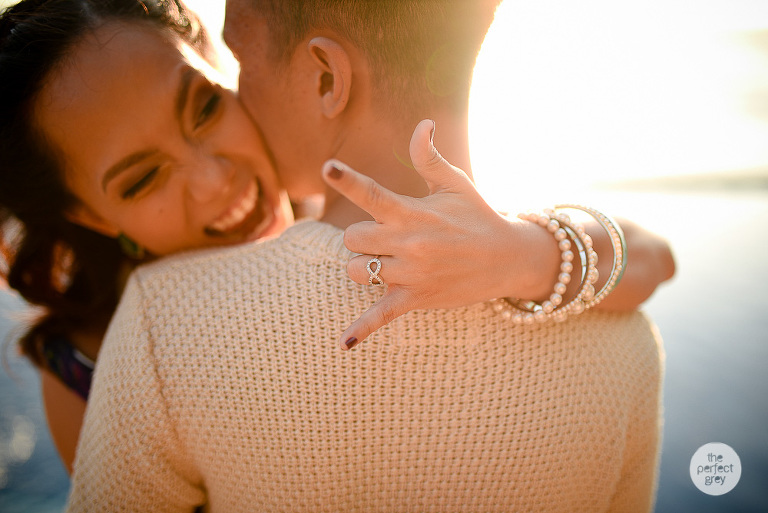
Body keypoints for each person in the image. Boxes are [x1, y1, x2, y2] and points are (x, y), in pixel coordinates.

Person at [0, 0, 673, 477]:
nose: (214, 178)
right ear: (87, 215)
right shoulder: (99, 361)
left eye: (204, 106)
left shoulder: (335, 207)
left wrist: (528, 255)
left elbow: (650, 256)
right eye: (143, 178)